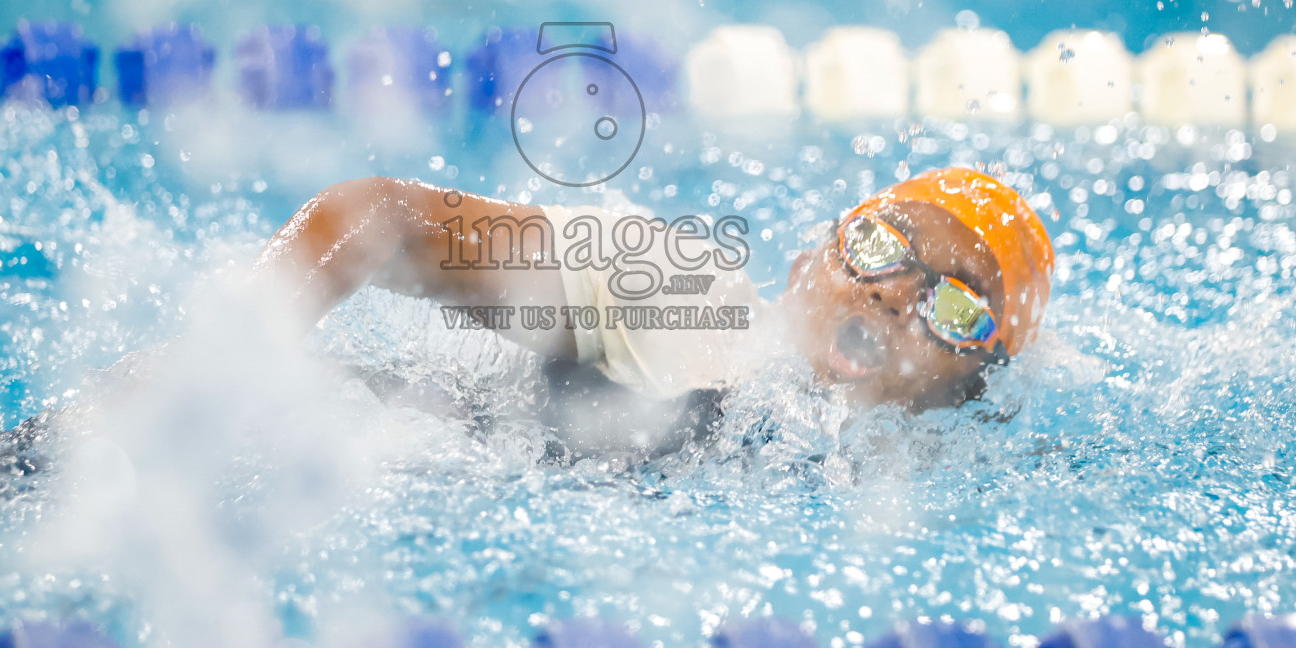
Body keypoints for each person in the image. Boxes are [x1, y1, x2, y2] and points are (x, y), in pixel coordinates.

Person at [255, 166, 1055, 454]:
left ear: (973, 385)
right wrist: (227, 361)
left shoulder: (921, 489)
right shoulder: (683, 294)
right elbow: (376, 218)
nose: (893, 293)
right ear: (805, 263)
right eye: (877, 244)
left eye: (957, 307)